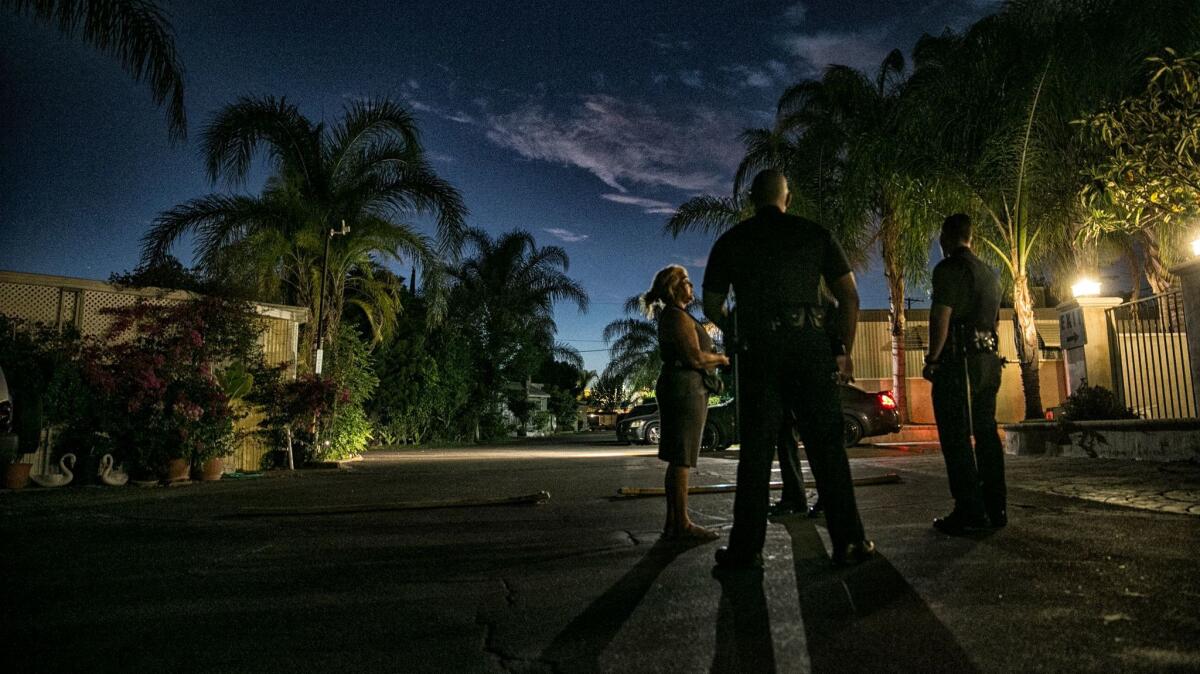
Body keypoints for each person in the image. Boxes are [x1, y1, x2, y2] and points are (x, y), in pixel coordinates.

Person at [703, 169, 874, 568]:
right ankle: (849, 542)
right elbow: (849, 295)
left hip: (759, 353)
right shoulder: (815, 234)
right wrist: (842, 350)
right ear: (787, 198)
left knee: (756, 453)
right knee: (828, 448)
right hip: (810, 348)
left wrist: (737, 329)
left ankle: (746, 551)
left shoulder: (732, 240)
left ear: (752, 201)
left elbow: (712, 304)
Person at [923, 213, 1006, 535]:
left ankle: (969, 510)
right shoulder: (990, 273)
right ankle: (995, 507)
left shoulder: (948, 269)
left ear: (946, 238)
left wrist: (933, 358)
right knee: (986, 433)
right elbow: (994, 321)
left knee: (956, 438)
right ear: (971, 237)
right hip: (988, 360)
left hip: (960, 364)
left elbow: (940, 317)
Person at [644, 264, 730, 541]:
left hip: (684, 388)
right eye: (687, 281)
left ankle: (674, 523)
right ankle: (680, 524)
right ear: (674, 286)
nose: (691, 286)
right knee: (682, 457)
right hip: (685, 389)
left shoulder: (676, 316)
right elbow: (695, 358)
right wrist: (722, 358)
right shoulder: (677, 317)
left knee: (680, 456)